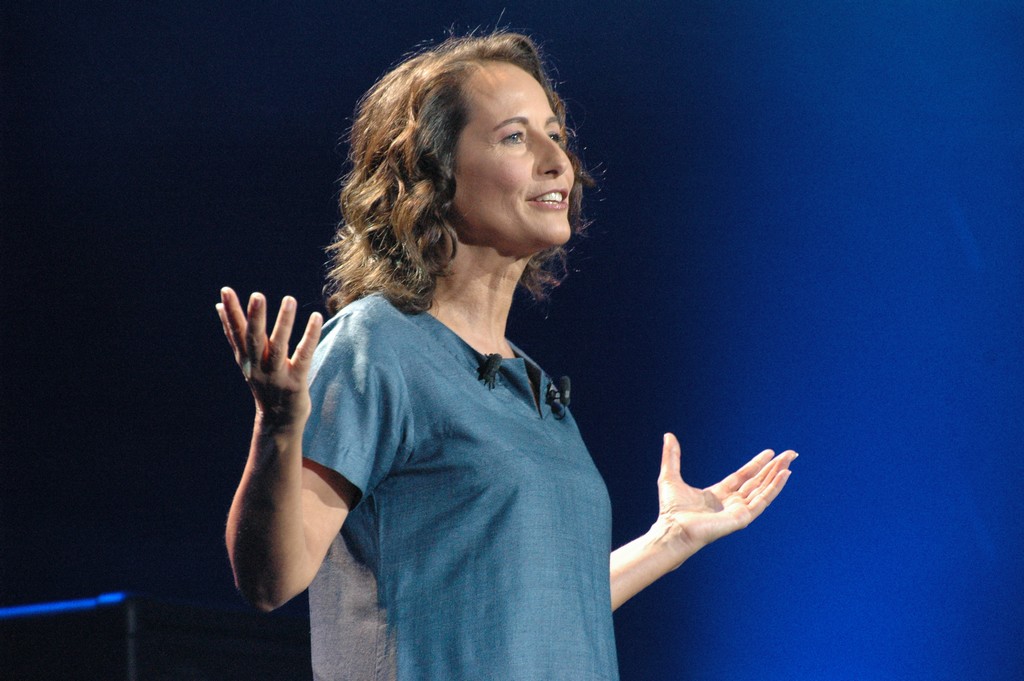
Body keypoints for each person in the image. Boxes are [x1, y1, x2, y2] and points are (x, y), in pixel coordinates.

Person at [216, 32, 796, 681]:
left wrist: (669, 540)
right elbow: (270, 579)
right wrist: (277, 430)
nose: (558, 160)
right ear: (432, 175)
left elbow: (532, 616)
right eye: (516, 137)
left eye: (555, 133)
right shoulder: (377, 345)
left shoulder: (532, 387)